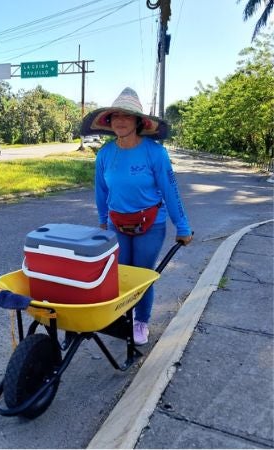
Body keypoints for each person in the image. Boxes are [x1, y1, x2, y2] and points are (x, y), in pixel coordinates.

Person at [81, 87, 193, 345]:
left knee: (142, 276)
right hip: (116, 223)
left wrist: (183, 226)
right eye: (116, 115)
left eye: (127, 116)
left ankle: (141, 321)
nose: (120, 120)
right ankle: (124, 317)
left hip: (150, 224)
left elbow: (170, 190)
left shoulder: (155, 152)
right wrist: (102, 222)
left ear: (138, 122)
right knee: (119, 275)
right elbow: (101, 191)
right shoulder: (105, 154)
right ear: (109, 122)